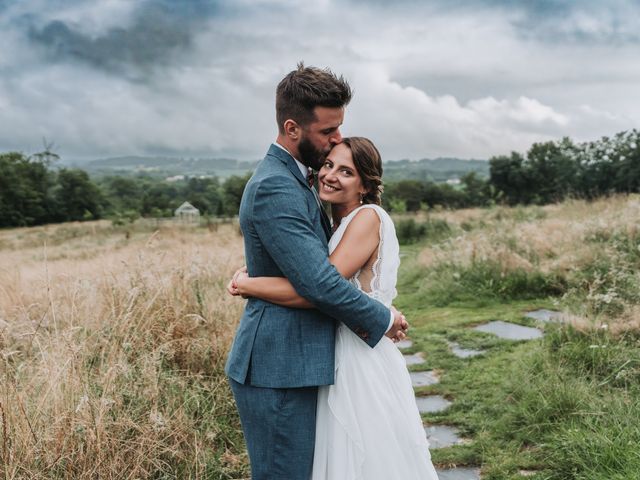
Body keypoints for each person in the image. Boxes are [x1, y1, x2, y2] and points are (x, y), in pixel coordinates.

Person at [224, 64, 409, 480]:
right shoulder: (276, 186)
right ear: (293, 128)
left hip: (299, 362)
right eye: (328, 132)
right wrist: (382, 318)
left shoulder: (297, 178)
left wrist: (251, 281)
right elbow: (319, 282)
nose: (336, 140)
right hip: (279, 366)